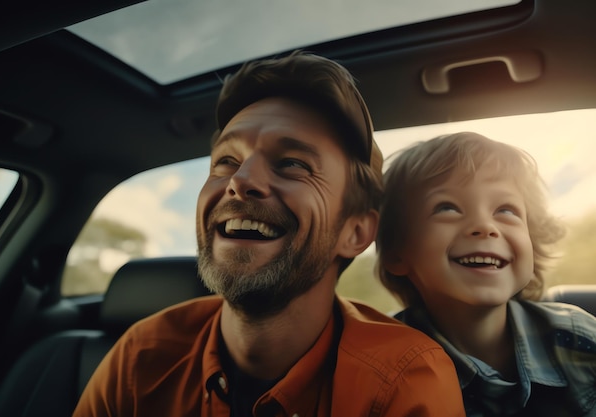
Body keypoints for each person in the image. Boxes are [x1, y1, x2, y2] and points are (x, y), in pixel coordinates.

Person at [72, 51, 466, 417]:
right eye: (226, 161)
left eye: (293, 163)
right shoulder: (141, 357)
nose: (240, 181)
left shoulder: (403, 380)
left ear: (356, 231)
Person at [376, 131, 596, 416]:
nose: (484, 225)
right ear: (396, 252)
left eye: (505, 210)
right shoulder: (384, 369)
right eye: (447, 207)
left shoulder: (579, 339)